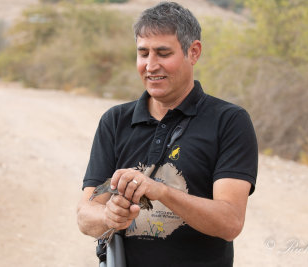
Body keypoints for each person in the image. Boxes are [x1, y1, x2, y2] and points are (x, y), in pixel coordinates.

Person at [77, 2, 258, 266]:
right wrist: (108, 217)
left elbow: (230, 222)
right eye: (143, 53)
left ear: (193, 52)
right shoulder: (115, 121)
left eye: (163, 53)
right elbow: (85, 214)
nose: (150, 66)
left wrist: (161, 191)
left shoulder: (229, 121)